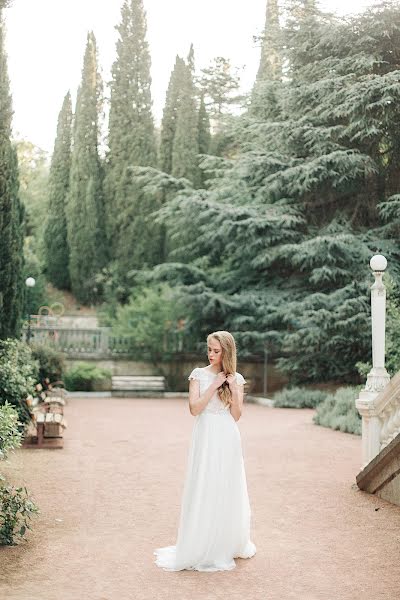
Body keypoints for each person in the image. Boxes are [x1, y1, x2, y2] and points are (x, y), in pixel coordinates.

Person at [153, 330, 256, 572]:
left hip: (228, 436)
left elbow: (237, 416)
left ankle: (225, 542)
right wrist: (215, 386)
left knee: (226, 485)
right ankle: (200, 543)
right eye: (209, 349)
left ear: (226, 352)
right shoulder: (198, 375)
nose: (211, 354)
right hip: (206, 434)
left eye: (216, 351)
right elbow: (194, 409)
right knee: (204, 483)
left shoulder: (237, 378)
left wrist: (231, 387)